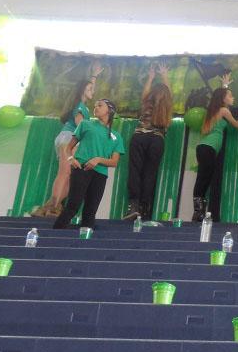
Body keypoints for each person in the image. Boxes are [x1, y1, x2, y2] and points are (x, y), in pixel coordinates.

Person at [32, 63, 102, 217]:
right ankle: (54, 207)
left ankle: (49, 207)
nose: (93, 91)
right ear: (83, 91)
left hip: (65, 139)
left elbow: (88, 89)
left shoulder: (81, 105)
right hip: (69, 139)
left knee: (69, 175)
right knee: (64, 173)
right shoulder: (80, 107)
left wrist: (94, 76)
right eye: (90, 89)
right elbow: (80, 125)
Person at [53, 99, 125, 229]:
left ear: (110, 110)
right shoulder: (85, 124)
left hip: (101, 175)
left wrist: (98, 159)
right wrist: (71, 159)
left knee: (90, 211)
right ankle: (55, 234)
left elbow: (114, 162)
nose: (95, 107)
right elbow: (68, 148)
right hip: (81, 169)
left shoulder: (117, 136)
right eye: (95, 105)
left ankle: (84, 243)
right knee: (73, 205)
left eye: (100, 105)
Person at [123, 62, 173, 221]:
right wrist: (164, 74)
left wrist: (151, 77)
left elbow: (145, 91)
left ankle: (133, 205)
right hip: (157, 140)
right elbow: (168, 91)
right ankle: (145, 209)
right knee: (150, 173)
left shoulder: (146, 102)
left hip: (139, 137)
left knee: (135, 171)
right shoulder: (166, 105)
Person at [192, 87, 238, 221]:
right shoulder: (223, 110)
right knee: (203, 179)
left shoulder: (213, 111)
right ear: (223, 98)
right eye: (230, 95)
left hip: (204, 147)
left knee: (204, 179)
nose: (233, 98)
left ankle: (199, 212)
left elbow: (205, 131)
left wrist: (226, 85)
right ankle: (198, 212)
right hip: (208, 148)